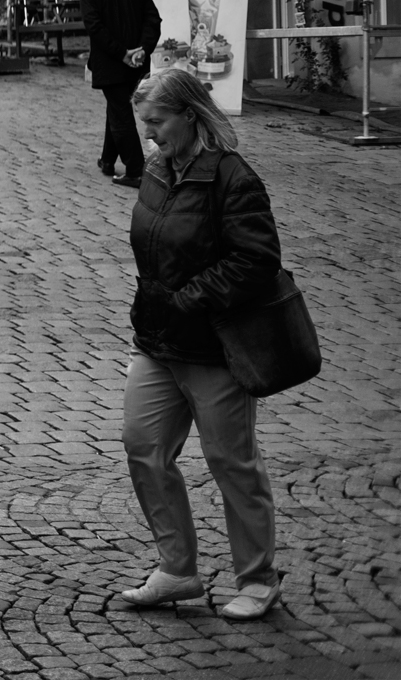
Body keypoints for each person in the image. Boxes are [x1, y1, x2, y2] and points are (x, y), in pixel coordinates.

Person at [117, 67, 285, 622]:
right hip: (159, 340)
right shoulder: (160, 168)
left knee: (230, 461)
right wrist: (155, 301)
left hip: (214, 345)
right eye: (145, 122)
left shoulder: (232, 177)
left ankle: (258, 579)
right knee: (143, 445)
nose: (149, 133)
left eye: (157, 121)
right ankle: (177, 569)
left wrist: (189, 298)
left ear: (189, 115)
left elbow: (257, 262)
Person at [81, 0, 161, 188]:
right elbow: (153, 20)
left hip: (111, 64)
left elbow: (95, 29)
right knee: (116, 110)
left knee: (120, 116)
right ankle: (107, 159)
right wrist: (143, 49)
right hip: (137, 63)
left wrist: (121, 53)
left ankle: (136, 170)